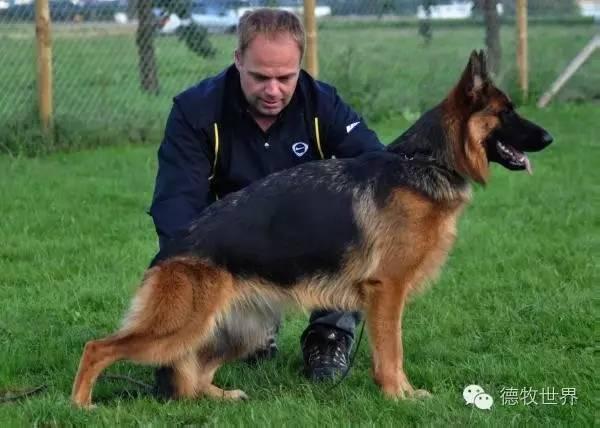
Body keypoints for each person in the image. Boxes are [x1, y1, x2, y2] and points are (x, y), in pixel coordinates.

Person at [148, 8, 384, 395]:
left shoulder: (323, 104)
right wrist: (190, 288)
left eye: (285, 78)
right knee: (233, 343)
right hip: (237, 248)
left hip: (313, 238)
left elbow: (377, 168)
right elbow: (176, 204)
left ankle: (329, 336)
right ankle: (252, 329)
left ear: (300, 66)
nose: (273, 90)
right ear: (238, 59)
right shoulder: (195, 112)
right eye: (260, 77)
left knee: (357, 225)